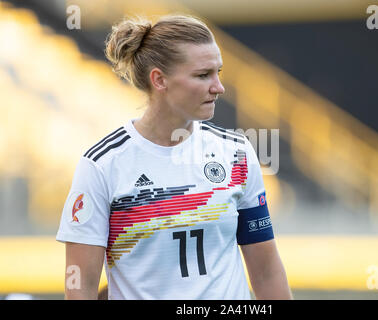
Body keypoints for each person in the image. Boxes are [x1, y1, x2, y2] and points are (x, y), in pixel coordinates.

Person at [56, 14, 292, 300]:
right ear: (160, 80)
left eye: (218, 72)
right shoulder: (102, 165)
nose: (219, 87)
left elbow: (266, 271)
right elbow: (80, 286)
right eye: (203, 75)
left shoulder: (237, 153)